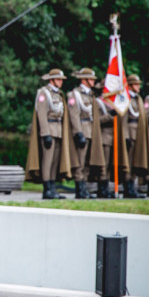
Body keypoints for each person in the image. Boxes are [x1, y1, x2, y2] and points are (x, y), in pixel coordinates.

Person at [25, 68, 74, 199]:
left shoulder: (58, 94)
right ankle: (46, 188)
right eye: (58, 79)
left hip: (58, 130)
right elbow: (41, 114)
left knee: (54, 161)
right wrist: (45, 133)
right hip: (49, 130)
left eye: (61, 80)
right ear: (51, 80)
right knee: (47, 161)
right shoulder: (43, 93)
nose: (61, 82)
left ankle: (52, 187)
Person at [67, 67, 104, 199]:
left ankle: (85, 188)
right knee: (80, 162)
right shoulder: (74, 95)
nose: (93, 82)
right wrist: (78, 133)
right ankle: (79, 189)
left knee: (88, 161)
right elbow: (74, 115)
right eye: (91, 79)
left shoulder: (90, 95)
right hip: (82, 130)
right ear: (84, 80)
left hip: (91, 131)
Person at [122, 74, 149, 198]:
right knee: (129, 162)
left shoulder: (138, 99)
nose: (139, 87)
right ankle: (128, 188)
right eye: (136, 84)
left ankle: (133, 185)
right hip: (130, 132)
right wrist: (125, 136)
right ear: (130, 85)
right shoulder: (125, 98)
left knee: (137, 160)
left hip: (139, 133)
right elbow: (123, 119)